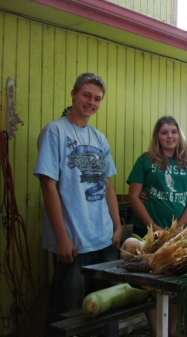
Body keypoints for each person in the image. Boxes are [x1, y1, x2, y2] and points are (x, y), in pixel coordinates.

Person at [33, 73, 122, 337]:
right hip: (73, 242)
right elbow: (48, 186)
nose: (91, 102)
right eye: (86, 95)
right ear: (73, 94)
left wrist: (117, 227)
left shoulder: (99, 138)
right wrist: (61, 237)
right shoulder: (54, 131)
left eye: (97, 99)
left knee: (107, 311)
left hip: (105, 240)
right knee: (67, 316)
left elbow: (107, 185)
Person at [127, 115, 187, 337]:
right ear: (157, 136)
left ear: (179, 134)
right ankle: (156, 331)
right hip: (146, 233)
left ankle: (171, 332)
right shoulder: (145, 160)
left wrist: (179, 228)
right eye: (164, 132)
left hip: (177, 236)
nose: (169, 136)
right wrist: (152, 226)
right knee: (148, 285)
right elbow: (133, 196)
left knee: (174, 284)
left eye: (173, 131)